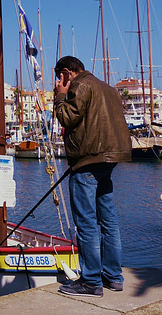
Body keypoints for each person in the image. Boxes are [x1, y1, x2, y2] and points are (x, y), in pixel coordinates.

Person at [53, 56, 131, 298]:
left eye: (60, 77)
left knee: (86, 223)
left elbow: (67, 118)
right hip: (109, 159)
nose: (59, 81)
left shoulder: (80, 86)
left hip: (87, 161)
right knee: (108, 221)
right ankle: (113, 277)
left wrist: (59, 95)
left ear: (67, 72)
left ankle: (90, 281)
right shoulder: (107, 88)